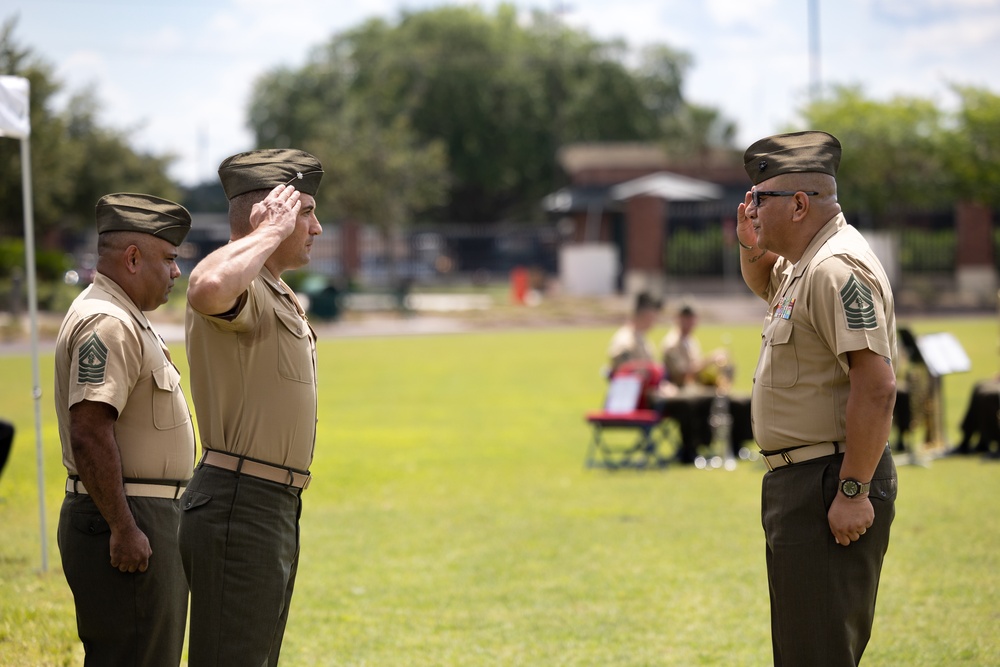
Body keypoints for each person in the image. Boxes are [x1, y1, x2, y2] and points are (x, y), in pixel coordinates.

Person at [736, 131, 898, 666]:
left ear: (800, 204)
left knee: (819, 654)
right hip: (803, 482)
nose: (750, 208)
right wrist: (751, 242)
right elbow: (766, 283)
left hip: (829, 480)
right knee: (803, 650)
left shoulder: (835, 268)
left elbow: (875, 387)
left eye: (761, 199)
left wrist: (853, 489)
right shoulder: (806, 261)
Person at [179, 148, 323, 666]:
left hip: (271, 502)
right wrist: (265, 234)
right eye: (304, 211)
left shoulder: (272, 289)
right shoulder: (236, 279)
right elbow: (207, 288)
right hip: (239, 500)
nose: (317, 226)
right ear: (272, 211)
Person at [53, 193, 194, 666]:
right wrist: (123, 526)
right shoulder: (108, 323)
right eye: (170, 258)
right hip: (126, 517)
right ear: (133, 258)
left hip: (139, 514)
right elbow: (89, 431)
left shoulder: (127, 317)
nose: (177, 271)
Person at [605, 291, 664, 407]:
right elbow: (623, 372)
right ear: (646, 315)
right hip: (635, 398)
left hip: (647, 394)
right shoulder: (625, 340)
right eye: (654, 315)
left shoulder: (641, 337)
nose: (655, 320)